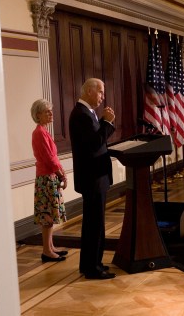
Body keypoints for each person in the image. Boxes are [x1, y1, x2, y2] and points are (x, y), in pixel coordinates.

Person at [69, 78, 116, 280]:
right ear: (89, 91)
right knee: (94, 224)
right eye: (100, 92)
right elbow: (94, 145)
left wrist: (105, 123)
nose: (102, 97)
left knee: (94, 224)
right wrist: (106, 122)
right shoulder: (81, 114)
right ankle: (91, 268)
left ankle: (92, 263)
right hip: (92, 178)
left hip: (96, 177)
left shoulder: (87, 113)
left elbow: (97, 141)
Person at [31, 99, 68, 263]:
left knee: (51, 215)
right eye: (47, 111)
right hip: (46, 178)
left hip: (50, 176)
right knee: (47, 216)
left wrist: (62, 173)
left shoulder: (44, 131)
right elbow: (48, 158)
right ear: (38, 115)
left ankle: (50, 247)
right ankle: (46, 251)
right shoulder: (39, 132)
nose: (51, 114)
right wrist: (61, 174)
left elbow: (54, 157)